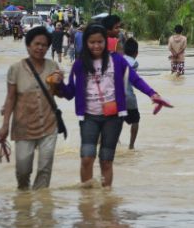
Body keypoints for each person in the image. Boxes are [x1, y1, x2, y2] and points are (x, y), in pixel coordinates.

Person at [57, 24, 170, 187]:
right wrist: (57, 85)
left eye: (100, 42)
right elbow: (69, 93)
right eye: (92, 42)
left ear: (106, 42)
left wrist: (153, 94)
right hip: (89, 117)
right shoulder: (80, 64)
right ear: (86, 43)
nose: (96, 46)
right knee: (87, 158)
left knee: (106, 161)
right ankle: (87, 201)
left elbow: (135, 80)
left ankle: (106, 201)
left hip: (113, 118)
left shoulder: (117, 61)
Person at [0, 26, 64, 190]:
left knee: (45, 168)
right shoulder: (15, 69)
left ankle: (42, 206)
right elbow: (10, 98)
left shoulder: (53, 66)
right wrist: (5, 126)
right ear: (28, 46)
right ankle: (24, 201)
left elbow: (58, 94)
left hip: (48, 125)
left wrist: (59, 83)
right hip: (23, 127)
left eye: (44, 45)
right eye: (37, 44)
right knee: (23, 170)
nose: (40, 48)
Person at [123, 38, 141, 150]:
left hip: (113, 97)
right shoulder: (134, 63)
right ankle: (131, 145)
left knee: (113, 121)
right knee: (135, 120)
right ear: (136, 53)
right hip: (128, 97)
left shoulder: (117, 60)